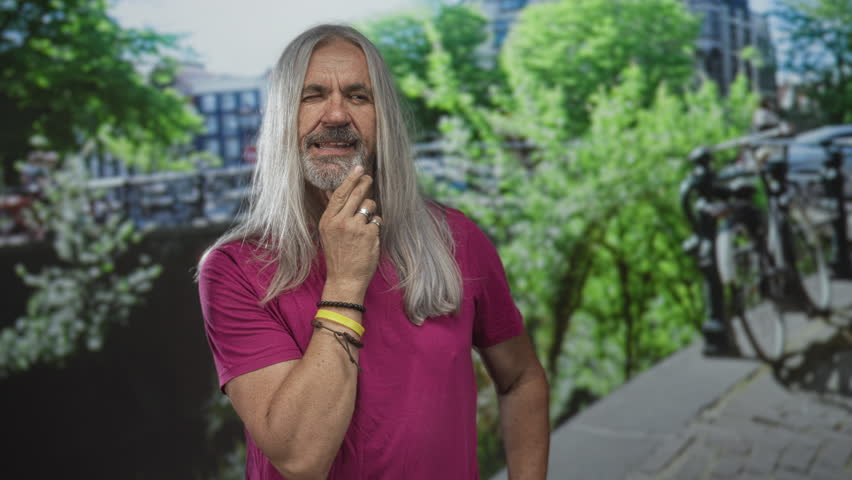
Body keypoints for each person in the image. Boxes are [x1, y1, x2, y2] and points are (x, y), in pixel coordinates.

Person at [198, 24, 549, 480]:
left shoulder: (456, 239)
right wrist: (346, 281)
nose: (337, 113)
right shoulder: (234, 269)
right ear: (284, 117)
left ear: (383, 119)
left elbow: (522, 379)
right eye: (313, 95)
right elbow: (301, 458)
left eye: (359, 96)